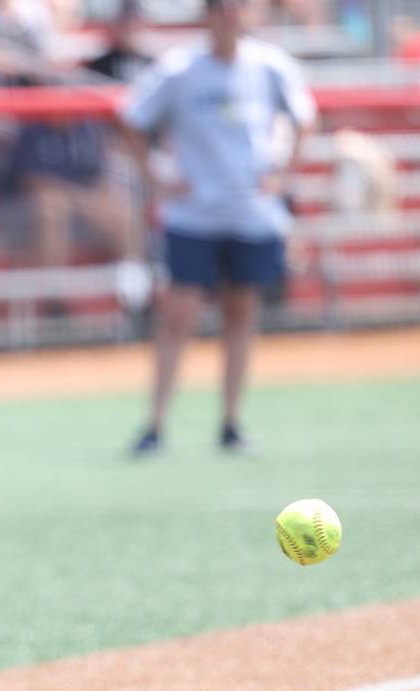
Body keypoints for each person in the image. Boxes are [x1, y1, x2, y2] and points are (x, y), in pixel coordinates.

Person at [121, 0, 315, 455]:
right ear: (207, 16)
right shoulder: (179, 69)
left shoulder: (269, 64)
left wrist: (283, 174)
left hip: (250, 212)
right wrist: (156, 177)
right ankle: (155, 423)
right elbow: (131, 119)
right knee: (178, 315)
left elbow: (305, 118)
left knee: (241, 313)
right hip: (194, 215)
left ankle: (230, 422)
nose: (230, 15)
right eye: (222, 8)